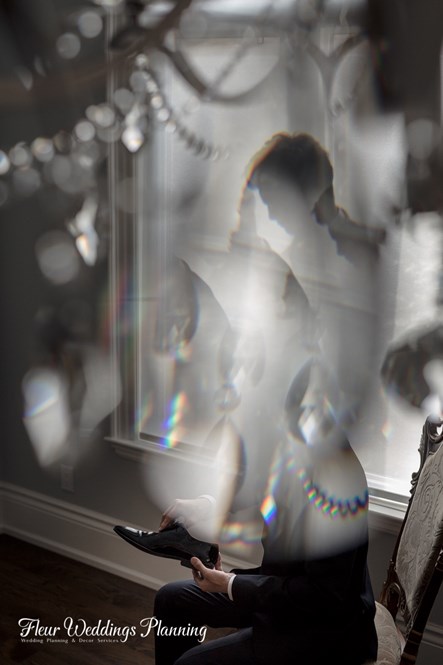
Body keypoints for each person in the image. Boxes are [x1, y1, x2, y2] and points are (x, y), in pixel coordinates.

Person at [152, 133, 379, 665]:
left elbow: (324, 596)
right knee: (171, 602)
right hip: (285, 597)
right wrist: (203, 509)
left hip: (325, 631)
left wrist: (232, 585)